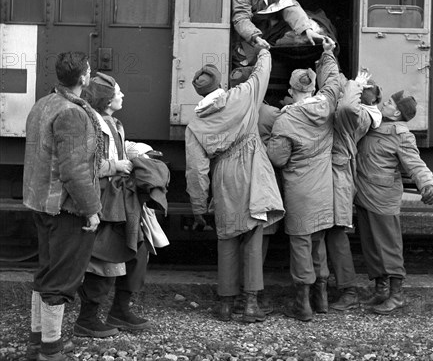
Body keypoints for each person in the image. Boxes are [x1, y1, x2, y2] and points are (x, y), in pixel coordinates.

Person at [185, 50, 285, 323]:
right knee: (253, 236)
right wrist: (263, 49)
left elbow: (196, 170)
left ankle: (226, 305)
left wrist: (198, 207)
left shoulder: (195, 124)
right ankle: (251, 304)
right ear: (220, 85)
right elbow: (262, 71)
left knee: (227, 237)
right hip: (253, 169)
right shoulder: (242, 96)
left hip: (224, 175)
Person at [74, 73, 169, 337]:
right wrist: (115, 166)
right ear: (106, 99)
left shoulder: (113, 123)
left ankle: (120, 310)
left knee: (137, 252)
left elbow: (117, 149)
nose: (122, 95)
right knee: (104, 257)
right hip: (106, 200)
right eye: (118, 92)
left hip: (121, 200)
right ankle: (87, 318)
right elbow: (84, 164)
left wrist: (137, 151)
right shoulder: (92, 124)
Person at [23, 52, 102, 361]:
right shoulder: (72, 113)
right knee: (62, 279)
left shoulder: (43, 104)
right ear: (83, 78)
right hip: (66, 209)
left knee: (46, 272)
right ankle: (51, 349)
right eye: (89, 71)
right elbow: (74, 170)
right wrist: (92, 210)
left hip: (42, 203)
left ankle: (37, 341)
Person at [267, 37, 341, 322]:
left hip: (299, 192)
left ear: (290, 90)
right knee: (318, 241)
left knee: (300, 245)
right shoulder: (327, 108)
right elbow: (333, 84)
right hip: (324, 191)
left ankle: (303, 303)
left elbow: (278, 159)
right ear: (312, 88)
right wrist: (328, 55)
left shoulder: (285, 121)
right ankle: (321, 298)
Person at [355, 89, 433, 315]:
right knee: (371, 246)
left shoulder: (401, 135)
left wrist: (427, 184)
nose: (385, 103)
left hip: (382, 199)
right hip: (364, 195)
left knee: (388, 246)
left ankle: (396, 295)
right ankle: (381, 290)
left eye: (389, 102)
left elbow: (415, 163)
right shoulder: (374, 122)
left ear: (397, 111)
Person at [327, 71, 383, 311]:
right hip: (332, 173)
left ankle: (348, 290)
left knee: (336, 232)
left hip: (339, 176)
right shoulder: (363, 111)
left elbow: (348, 106)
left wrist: (355, 83)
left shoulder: (360, 115)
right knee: (325, 232)